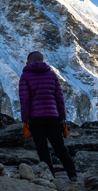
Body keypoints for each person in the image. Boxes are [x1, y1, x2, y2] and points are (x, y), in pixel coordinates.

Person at [19, 51, 77, 180]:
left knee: (42, 149)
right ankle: (72, 174)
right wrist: (62, 118)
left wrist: (25, 120)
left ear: (30, 60)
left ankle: (50, 177)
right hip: (53, 116)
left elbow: (25, 99)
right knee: (60, 147)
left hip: (36, 118)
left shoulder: (26, 76)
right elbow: (59, 98)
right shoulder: (51, 75)